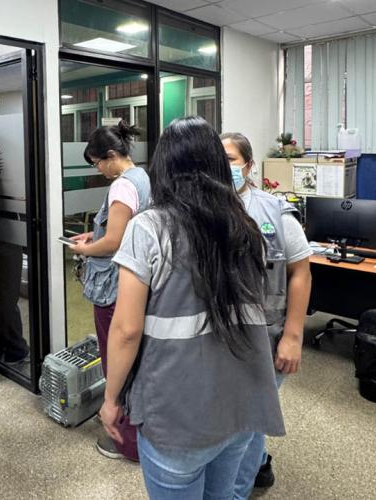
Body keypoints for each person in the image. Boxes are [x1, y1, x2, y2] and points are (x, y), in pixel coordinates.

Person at [99, 117, 285, 499]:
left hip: (178, 414)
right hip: (238, 407)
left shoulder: (149, 228)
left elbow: (126, 330)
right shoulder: (245, 225)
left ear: (164, 167)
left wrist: (111, 398)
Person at [221, 132, 312, 498]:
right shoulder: (202, 210)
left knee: (249, 419)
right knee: (237, 419)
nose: (225, 167)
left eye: (230, 158)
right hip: (219, 339)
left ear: (249, 165)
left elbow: (301, 272)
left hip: (267, 338)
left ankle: (237, 491)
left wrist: (293, 336)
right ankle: (255, 469)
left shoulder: (273, 211)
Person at [69, 121, 150, 461]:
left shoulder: (121, 187)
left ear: (113, 156)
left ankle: (125, 441)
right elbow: (118, 231)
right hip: (136, 281)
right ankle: (139, 435)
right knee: (137, 361)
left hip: (114, 287)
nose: (98, 169)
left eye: (98, 162)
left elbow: (114, 242)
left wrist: (84, 249)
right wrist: (93, 235)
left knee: (117, 359)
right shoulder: (142, 178)